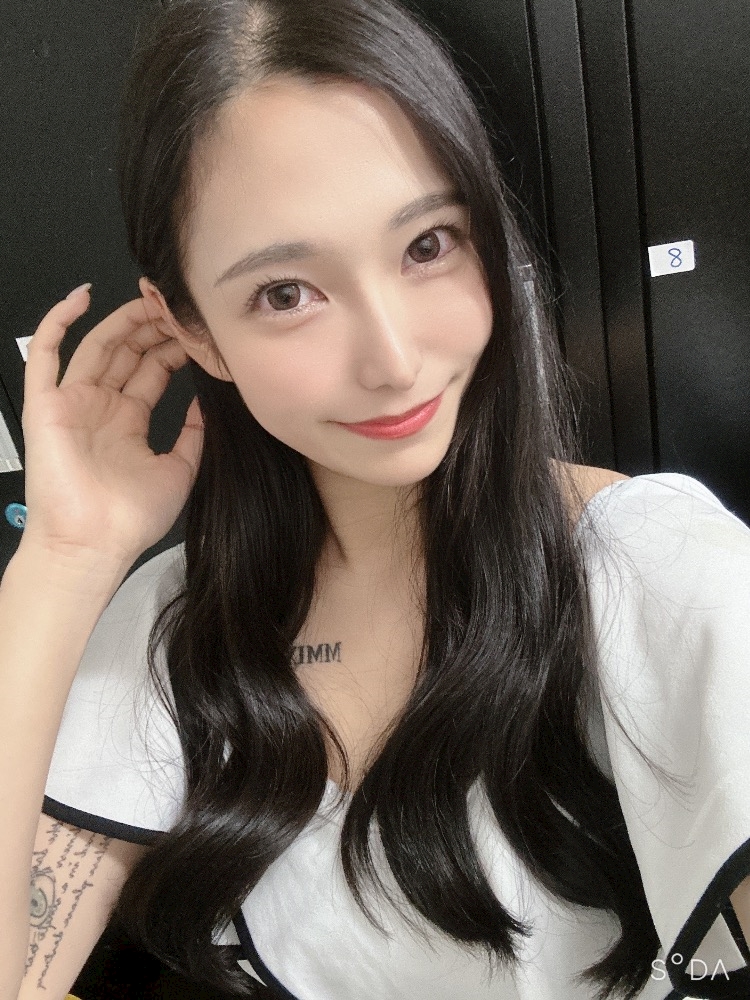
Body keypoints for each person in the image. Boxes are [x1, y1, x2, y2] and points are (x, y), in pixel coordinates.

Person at [2, 0, 749, 998]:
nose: (393, 361)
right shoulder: (171, 628)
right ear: (193, 332)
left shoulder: (654, 570)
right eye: (285, 293)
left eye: (429, 244)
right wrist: (64, 560)